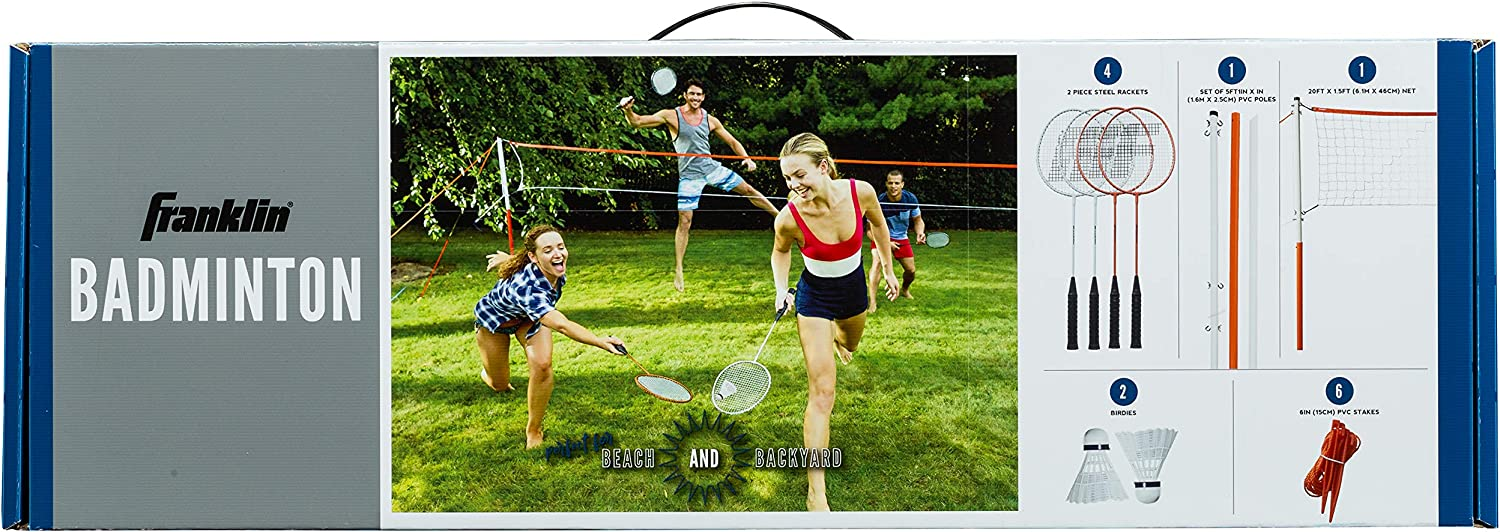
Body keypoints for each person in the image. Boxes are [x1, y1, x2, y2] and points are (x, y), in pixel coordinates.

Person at [771, 133, 899, 511]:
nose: (794, 185)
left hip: (853, 292)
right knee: (823, 392)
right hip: (815, 298)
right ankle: (817, 493)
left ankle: (838, 339)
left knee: (851, 343)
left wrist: (887, 268)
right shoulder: (789, 217)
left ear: (823, 167)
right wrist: (780, 290)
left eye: (800, 175)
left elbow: (879, 227)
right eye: (787, 178)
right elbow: (780, 252)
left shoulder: (861, 193)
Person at [619, 78, 779, 292]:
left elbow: (732, 141)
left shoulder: (710, 119)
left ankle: (780, 216)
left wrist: (747, 159)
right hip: (689, 177)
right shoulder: (671, 115)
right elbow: (637, 122)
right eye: (692, 93)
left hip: (711, 169)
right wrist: (628, 110)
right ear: (685, 95)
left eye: (699, 94)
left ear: (703, 97)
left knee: (749, 190)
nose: (695, 97)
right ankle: (678, 269)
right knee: (685, 221)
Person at [475, 225, 625, 449]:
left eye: (560, 247)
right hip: (495, 322)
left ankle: (533, 430)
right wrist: (599, 341)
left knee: (543, 365)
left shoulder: (554, 270)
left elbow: (523, 263)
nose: (557, 254)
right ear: (533, 257)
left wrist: (507, 260)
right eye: (548, 250)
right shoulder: (528, 288)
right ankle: (490, 375)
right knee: (499, 384)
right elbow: (562, 325)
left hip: (528, 319)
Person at [867, 169, 926, 305]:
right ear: (886, 184)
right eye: (890, 183)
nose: (893, 186)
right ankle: (873, 302)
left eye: (897, 183)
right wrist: (886, 243)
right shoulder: (879, 202)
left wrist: (920, 232)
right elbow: (870, 231)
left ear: (902, 184)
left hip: (901, 238)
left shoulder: (910, 199)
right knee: (876, 263)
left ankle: (905, 290)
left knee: (911, 271)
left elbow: (918, 220)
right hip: (880, 237)